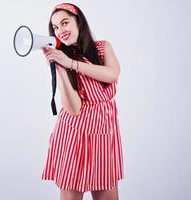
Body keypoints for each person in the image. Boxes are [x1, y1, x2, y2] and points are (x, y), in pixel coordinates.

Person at [41, 3, 124, 200]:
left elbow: (112, 74)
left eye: (64, 23)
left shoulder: (103, 48)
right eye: (55, 28)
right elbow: (74, 109)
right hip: (74, 137)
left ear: (78, 21)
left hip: (104, 136)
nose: (60, 31)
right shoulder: (63, 58)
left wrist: (71, 64)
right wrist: (59, 67)